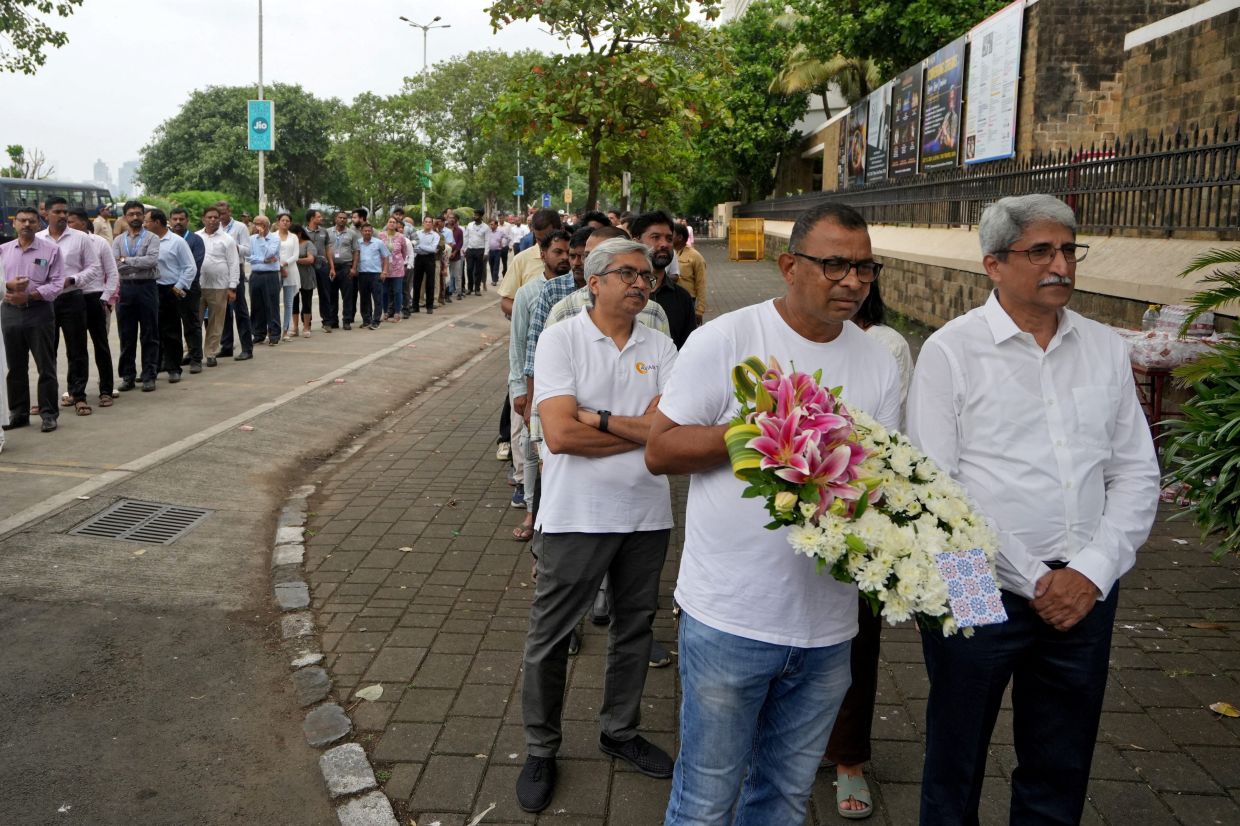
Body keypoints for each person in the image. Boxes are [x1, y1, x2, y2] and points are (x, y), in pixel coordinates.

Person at [906, 194, 1161, 826]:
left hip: (1084, 581)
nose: (1061, 265)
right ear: (994, 265)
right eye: (1040, 251)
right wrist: (1035, 577)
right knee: (956, 749)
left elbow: (1135, 471)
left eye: (1069, 249)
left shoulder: (1104, 347)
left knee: (1060, 756)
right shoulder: (949, 350)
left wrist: (1092, 572)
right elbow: (938, 487)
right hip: (969, 575)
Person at [646, 203, 902, 826]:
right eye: (835, 264)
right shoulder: (729, 340)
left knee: (783, 799)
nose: (852, 281)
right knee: (706, 800)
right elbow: (661, 448)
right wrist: (764, 433)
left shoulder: (879, 361)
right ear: (789, 266)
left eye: (864, 267)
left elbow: (884, 482)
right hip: (730, 617)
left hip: (826, 630)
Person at [516, 237, 679, 814]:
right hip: (574, 517)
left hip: (646, 515)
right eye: (628, 274)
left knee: (634, 628)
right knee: (552, 636)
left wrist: (600, 419)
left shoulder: (661, 344)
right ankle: (541, 747)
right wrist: (639, 432)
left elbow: (671, 432)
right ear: (596, 282)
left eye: (647, 275)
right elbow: (560, 435)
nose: (641, 283)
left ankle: (619, 731)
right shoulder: (561, 338)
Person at [508, 230, 573, 540]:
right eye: (557, 252)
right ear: (543, 254)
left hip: (563, 387)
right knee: (530, 447)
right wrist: (519, 390)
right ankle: (531, 513)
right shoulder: (530, 293)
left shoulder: (578, 289)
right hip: (532, 385)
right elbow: (520, 346)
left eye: (568, 253)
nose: (563, 258)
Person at [1, 206, 64, 432]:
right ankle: (18, 413)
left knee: (45, 365)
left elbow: (57, 284)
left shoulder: (51, 251)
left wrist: (29, 295)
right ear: (14, 224)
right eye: (22, 221)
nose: (26, 225)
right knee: (15, 367)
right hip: (9, 313)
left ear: (39, 224)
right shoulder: (3, 250)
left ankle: (49, 413)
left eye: (31, 221)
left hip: (39, 312)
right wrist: (9, 289)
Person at [37, 197, 101, 416]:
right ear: (46, 214)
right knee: (46, 351)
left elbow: (94, 268)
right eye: (58, 212)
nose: (63, 216)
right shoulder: (38, 239)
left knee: (77, 349)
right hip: (45, 301)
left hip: (72, 297)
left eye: (65, 212)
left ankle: (78, 396)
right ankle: (45, 399)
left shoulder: (81, 238)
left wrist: (72, 279)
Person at [66, 208, 118, 406]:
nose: (68, 225)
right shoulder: (64, 242)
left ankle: (105, 389)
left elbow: (112, 273)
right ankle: (75, 390)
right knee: (75, 347)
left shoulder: (99, 242)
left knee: (100, 345)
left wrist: (105, 298)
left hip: (94, 297)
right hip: (71, 299)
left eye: (71, 221)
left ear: (83, 223)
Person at [113, 200, 163, 391]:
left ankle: (149, 375)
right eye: (131, 214)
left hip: (147, 287)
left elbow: (151, 261)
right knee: (126, 334)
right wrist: (132, 262)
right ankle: (128, 376)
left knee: (150, 333)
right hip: (125, 289)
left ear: (143, 216)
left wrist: (125, 259)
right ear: (125, 217)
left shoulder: (152, 238)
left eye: (138, 214)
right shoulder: (118, 240)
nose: (135, 217)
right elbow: (115, 264)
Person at [631, 212, 696, 349]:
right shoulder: (622, 292)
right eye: (655, 237)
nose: (664, 244)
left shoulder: (682, 298)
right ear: (636, 242)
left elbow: (688, 351)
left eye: (669, 239)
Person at [147, 208, 197, 384]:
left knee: (171, 331)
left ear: (157, 223)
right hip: (150, 288)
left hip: (170, 289)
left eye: (147, 221)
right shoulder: (146, 241)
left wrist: (178, 286)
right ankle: (153, 367)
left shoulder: (176, 242)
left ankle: (174, 368)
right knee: (151, 331)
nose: (145, 224)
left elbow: (190, 267)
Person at [196, 205, 240, 367]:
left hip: (220, 286)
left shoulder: (227, 239)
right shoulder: (196, 237)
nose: (213, 219)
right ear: (203, 219)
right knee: (195, 321)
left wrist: (232, 287)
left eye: (216, 217)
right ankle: (192, 353)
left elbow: (234, 264)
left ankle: (211, 353)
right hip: (198, 286)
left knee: (216, 322)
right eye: (209, 217)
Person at [498, 209, 563, 318]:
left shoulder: (574, 259)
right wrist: (532, 316)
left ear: (561, 230)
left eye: (549, 238)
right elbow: (506, 302)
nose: (544, 245)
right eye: (539, 239)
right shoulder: (521, 260)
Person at [168, 208, 205, 373]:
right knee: (170, 325)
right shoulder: (165, 239)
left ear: (187, 221)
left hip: (189, 288)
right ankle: (171, 360)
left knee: (191, 324)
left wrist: (179, 282)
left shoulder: (196, 240)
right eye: (174, 219)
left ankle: (196, 358)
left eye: (181, 219)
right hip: (168, 289)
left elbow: (194, 265)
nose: (178, 222)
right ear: (169, 221)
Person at [216, 201, 254, 361]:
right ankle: (226, 346)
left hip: (235, 269)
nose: (221, 217)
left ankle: (247, 348)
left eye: (223, 213)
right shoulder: (215, 228)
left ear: (229, 211)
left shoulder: (240, 227)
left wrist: (232, 246)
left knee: (240, 310)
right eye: (218, 214)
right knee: (223, 311)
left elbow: (249, 250)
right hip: (219, 271)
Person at [248, 215, 283, 347]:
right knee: (256, 306)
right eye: (255, 223)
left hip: (270, 275)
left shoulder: (274, 239)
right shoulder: (251, 239)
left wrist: (262, 239)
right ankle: (258, 334)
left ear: (266, 225)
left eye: (259, 224)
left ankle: (274, 334)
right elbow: (248, 257)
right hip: (256, 274)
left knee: (271, 305)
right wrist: (262, 260)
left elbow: (270, 254)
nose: (257, 226)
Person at [328, 211, 360, 330]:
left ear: (347, 220)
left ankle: (347, 320)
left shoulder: (352, 233)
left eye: (344, 218)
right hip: (332, 267)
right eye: (340, 218)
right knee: (332, 295)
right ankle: (333, 320)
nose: (342, 220)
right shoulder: (328, 232)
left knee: (347, 296)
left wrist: (353, 268)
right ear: (335, 219)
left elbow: (356, 251)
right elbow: (326, 249)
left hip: (346, 267)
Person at [355, 223, 390, 330]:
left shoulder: (378, 242)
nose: (367, 232)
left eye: (369, 231)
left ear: (372, 231)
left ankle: (376, 321)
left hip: (375, 274)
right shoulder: (358, 243)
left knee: (377, 299)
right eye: (365, 231)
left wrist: (384, 271)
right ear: (361, 232)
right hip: (362, 274)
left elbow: (386, 257)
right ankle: (366, 320)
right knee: (364, 299)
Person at [672, 224, 707, 327]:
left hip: (688, 301)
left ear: (680, 237)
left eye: (671, 234)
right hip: (671, 298)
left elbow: (701, 284)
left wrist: (699, 310)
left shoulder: (696, 257)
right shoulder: (668, 254)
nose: (668, 237)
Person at [305, 209, 334, 333]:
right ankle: (307, 323)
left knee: (325, 294)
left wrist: (331, 267)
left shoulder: (324, 232)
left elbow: (328, 249)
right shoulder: (303, 232)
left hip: (322, 266)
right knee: (307, 295)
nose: (321, 218)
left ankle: (327, 322)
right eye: (318, 216)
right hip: (308, 267)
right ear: (312, 218)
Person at [273, 213, 299, 340]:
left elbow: (296, 255)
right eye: (282, 220)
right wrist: (278, 265)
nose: (285, 222)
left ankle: (285, 330)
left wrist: (285, 263)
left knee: (289, 303)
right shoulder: (272, 236)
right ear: (278, 222)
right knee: (274, 302)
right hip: (275, 271)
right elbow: (271, 253)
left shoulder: (293, 237)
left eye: (287, 221)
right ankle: (273, 330)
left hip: (291, 271)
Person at [380, 216, 410, 322]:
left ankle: (397, 313)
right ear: (387, 223)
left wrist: (399, 260)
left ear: (397, 224)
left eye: (394, 222)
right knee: (384, 292)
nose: (392, 224)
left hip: (397, 267)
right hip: (385, 268)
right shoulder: (381, 235)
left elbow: (404, 252)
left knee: (398, 291)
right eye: (390, 222)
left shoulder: (401, 237)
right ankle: (385, 312)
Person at [410, 215, 440, 315]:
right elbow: (413, 247)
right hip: (418, 258)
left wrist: (420, 246)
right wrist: (424, 247)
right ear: (423, 223)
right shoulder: (417, 233)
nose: (428, 223)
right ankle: (415, 306)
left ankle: (429, 306)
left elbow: (433, 249)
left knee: (430, 283)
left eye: (429, 222)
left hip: (430, 259)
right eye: (426, 222)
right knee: (416, 282)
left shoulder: (436, 235)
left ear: (432, 224)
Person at [291, 225, 317, 338]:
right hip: (293, 277)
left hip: (306, 276)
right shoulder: (290, 245)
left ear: (299, 234)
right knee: (293, 303)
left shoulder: (308, 244)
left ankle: (306, 327)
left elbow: (310, 259)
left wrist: (294, 260)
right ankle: (295, 327)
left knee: (306, 302)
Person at [463, 210, 489, 295]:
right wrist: (464, 248)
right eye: (474, 215)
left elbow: (487, 240)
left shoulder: (485, 227)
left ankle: (477, 289)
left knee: (478, 270)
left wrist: (486, 253)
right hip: (470, 250)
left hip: (480, 250)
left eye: (476, 215)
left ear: (481, 217)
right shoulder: (470, 225)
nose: (474, 216)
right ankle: (470, 288)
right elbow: (466, 237)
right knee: (469, 269)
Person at [445, 211, 464, 301]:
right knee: (446, 276)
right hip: (445, 257)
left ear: (455, 219)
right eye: (450, 217)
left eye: (453, 218)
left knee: (457, 275)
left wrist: (455, 252)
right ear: (447, 218)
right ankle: (447, 293)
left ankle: (459, 292)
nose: (451, 219)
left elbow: (460, 243)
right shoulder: (443, 229)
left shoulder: (459, 231)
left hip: (456, 256)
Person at [487, 218, 507, 287]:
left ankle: (494, 280)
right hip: (490, 251)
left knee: (496, 266)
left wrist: (503, 244)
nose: (491, 226)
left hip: (497, 251)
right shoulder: (488, 232)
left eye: (492, 224)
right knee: (491, 266)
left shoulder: (500, 232)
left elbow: (507, 237)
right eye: (490, 225)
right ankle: (494, 278)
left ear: (496, 225)